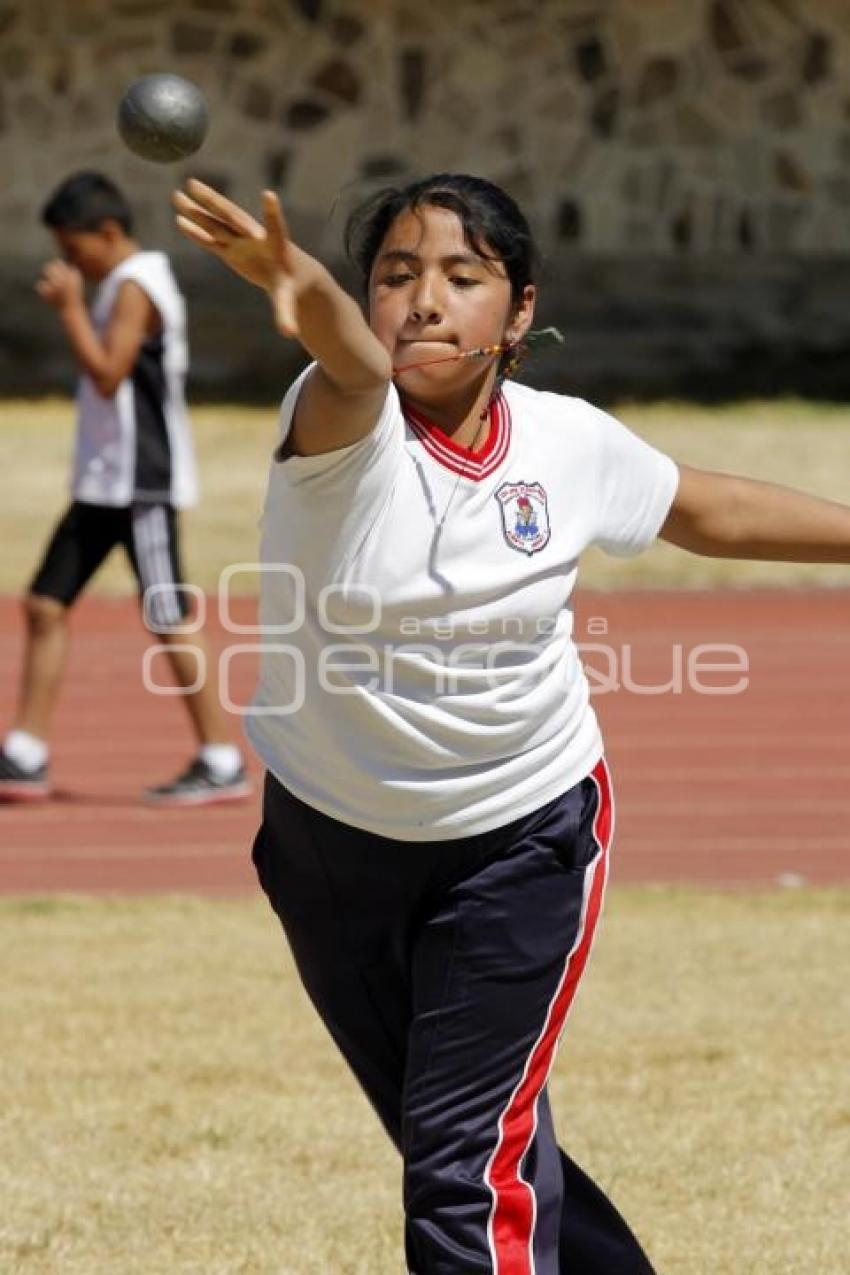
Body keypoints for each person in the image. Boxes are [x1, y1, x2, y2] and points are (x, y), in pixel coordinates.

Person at [173, 171, 850, 1274]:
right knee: (463, 1138)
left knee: (458, 1168)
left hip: (521, 838)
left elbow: (703, 511)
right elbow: (346, 355)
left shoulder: (565, 441)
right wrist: (297, 287)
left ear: (520, 309)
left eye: (461, 276)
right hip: (333, 842)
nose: (423, 302)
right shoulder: (343, 425)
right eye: (394, 275)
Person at [0, 171, 249, 806]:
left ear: (107, 233)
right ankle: (24, 752)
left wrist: (70, 310)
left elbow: (110, 374)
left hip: (142, 483)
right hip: (102, 483)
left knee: (169, 618)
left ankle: (221, 759)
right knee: (45, 605)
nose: (66, 261)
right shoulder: (116, 282)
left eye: (72, 247)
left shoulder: (139, 285)